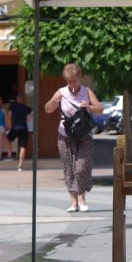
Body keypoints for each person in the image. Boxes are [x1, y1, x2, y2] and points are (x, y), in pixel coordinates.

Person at [44, 63, 103, 213]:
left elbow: (100, 110)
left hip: (83, 135)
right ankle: (74, 202)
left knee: (81, 167)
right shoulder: (61, 92)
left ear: (80, 77)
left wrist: (89, 107)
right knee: (69, 168)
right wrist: (54, 101)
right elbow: (48, 109)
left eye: (74, 81)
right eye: (69, 81)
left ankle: (82, 199)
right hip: (65, 134)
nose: (72, 84)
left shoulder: (86, 91)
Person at [7, 94, 33, 171]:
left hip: (15, 128)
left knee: (8, 139)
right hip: (24, 129)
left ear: (17, 100)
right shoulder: (26, 108)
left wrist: (9, 125)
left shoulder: (12, 106)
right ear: (22, 100)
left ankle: (9, 155)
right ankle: (20, 166)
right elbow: (30, 119)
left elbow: (9, 116)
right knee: (22, 147)